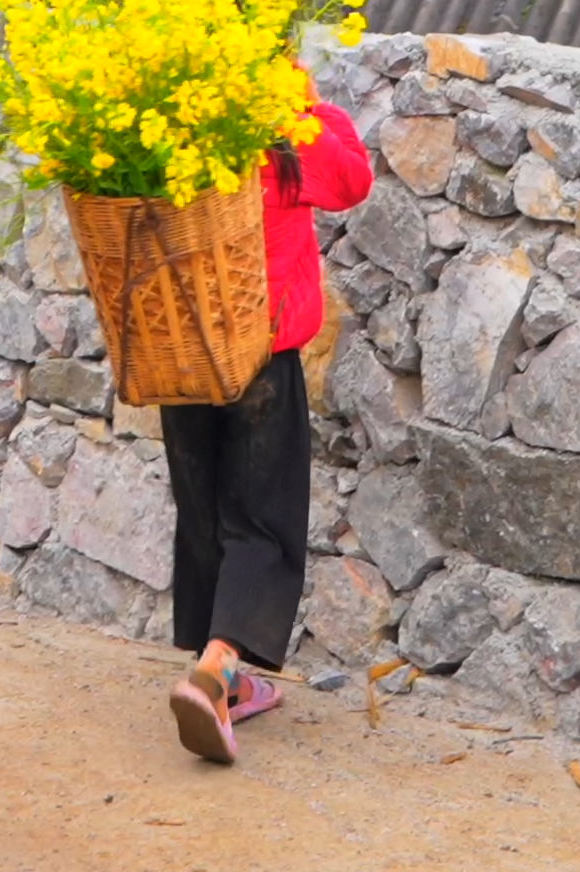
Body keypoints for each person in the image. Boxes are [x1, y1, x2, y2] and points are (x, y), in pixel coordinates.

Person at [165, 89, 372, 765]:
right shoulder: (279, 128)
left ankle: (217, 665)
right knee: (262, 515)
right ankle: (220, 667)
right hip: (261, 344)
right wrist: (300, 106)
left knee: (203, 508)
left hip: (180, 343)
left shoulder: (168, 111)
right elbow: (350, 178)